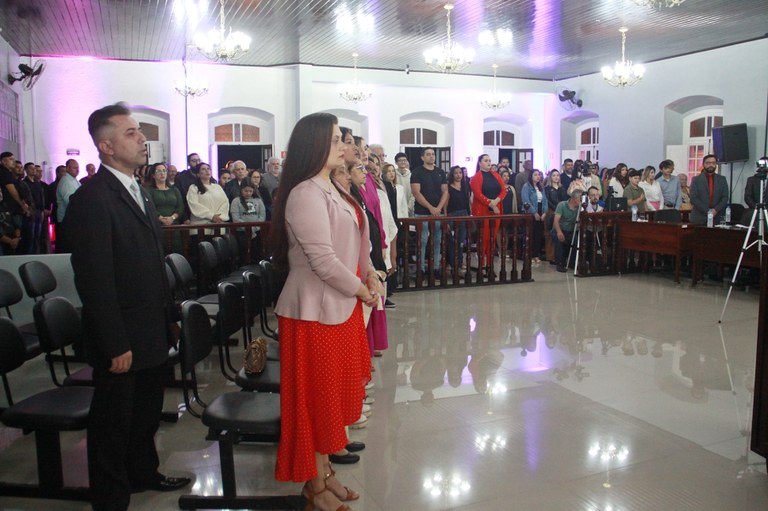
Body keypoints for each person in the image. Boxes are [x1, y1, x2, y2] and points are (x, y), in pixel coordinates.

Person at [66, 103, 190, 511]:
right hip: (121, 334)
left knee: (146, 412)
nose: (142, 139)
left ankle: (142, 472)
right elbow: (94, 279)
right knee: (113, 422)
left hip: (151, 325)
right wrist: (114, 342)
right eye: (131, 133)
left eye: (140, 131)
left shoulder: (139, 191)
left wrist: (169, 318)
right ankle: (110, 497)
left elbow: (153, 263)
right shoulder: (92, 199)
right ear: (106, 146)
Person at [271, 112, 379, 511]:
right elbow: (322, 260)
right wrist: (362, 290)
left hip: (339, 305)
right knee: (316, 401)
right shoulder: (305, 193)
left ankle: (325, 473)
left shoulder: (331, 187)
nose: (343, 145)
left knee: (330, 398)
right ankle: (314, 484)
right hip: (313, 312)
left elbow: (357, 244)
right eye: (336, 139)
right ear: (314, 144)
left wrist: (371, 273)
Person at [411, 147, 448, 277]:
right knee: (422, 240)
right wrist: (430, 208)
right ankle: (421, 268)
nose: (431, 156)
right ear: (422, 157)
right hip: (422, 212)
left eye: (433, 154)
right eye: (428, 154)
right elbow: (416, 193)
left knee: (437, 240)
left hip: (437, 212)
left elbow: (445, 192)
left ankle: (436, 267)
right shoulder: (417, 172)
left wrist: (438, 208)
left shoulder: (440, 172)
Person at [471, 154, 507, 273]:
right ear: (480, 163)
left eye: (490, 160)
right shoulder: (476, 177)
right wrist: (490, 204)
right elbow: (478, 194)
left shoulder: (496, 175)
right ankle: (482, 264)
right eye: (486, 160)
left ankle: (490, 265)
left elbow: (503, 190)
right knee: (484, 237)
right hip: (483, 211)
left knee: (492, 237)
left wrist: (496, 201)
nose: (488, 162)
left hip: (496, 210)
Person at [230, 181, 266, 260]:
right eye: (246, 191)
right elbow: (235, 218)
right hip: (241, 232)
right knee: (243, 254)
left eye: (250, 191)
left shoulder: (258, 201)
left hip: (256, 231)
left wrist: (254, 228)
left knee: (257, 254)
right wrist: (248, 228)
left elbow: (262, 216)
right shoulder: (236, 201)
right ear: (241, 190)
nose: (248, 193)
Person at [186, 162, 229, 227]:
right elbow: (194, 204)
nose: (207, 171)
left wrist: (219, 217)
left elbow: (225, 202)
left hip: (218, 223)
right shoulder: (193, 188)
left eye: (208, 169)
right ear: (198, 174)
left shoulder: (217, 187)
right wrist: (211, 216)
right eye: (203, 169)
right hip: (200, 225)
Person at [445, 165, 471, 271]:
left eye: (460, 173)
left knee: (461, 241)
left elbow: (468, 202)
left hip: (464, 215)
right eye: (456, 173)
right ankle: (452, 264)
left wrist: (469, 216)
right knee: (452, 241)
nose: (458, 175)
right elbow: (445, 205)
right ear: (452, 174)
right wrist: (446, 220)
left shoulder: (465, 186)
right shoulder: (448, 188)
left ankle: (459, 262)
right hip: (452, 215)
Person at [689, 154, 728, 225]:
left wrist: (715, 210)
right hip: (699, 217)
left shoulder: (722, 179)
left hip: (717, 216)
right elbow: (693, 198)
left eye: (713, 163)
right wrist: (708, 211)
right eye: (708, 163)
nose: (711, 165)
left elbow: (725, 197)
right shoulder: (696, 180)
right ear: (703, 164)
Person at [521, 169, 548, 264]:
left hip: (540, 210)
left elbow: (545, 200)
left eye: (539, 175)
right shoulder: (526, 187)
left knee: (538, 234)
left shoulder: (541, 187)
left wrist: (544, 212)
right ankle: (529, 254)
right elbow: (526, 201)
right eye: (535, 175)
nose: (538, 176)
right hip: (531, 211)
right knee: (531, 234)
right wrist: (534, 212)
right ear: (531, 176)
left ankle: (536, 254)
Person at [551, 190, 582, 272]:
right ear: (575, 199)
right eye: (580, 198)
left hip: (571, 230)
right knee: (559, 241)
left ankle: (572, 262)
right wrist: (559, 232)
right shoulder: (561, 205)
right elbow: (556, 221)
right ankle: (560, 263)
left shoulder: (580, 208)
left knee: (576, 242)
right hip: (559, 228)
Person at [56, 158, 82, 253]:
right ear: (67, 168)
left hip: (73, 218)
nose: (77, 170)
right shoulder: (66, 181)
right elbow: (70, 200)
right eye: (74, 168)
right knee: (67, 247)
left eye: (78, 167)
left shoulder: (74, 180)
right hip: (66, 219)